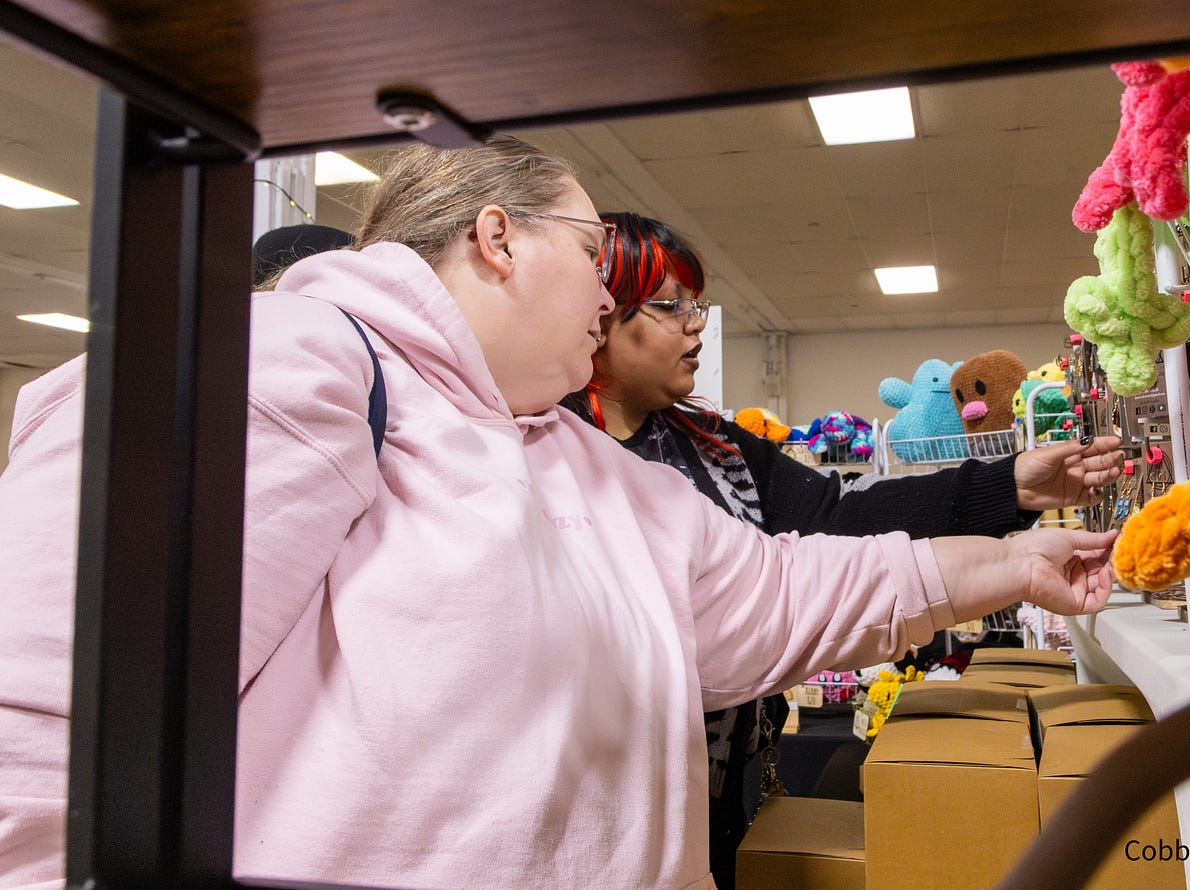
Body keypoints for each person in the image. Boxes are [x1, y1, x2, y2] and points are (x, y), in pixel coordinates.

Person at [0, 136, 1118, 890]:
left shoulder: (572, 456)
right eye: (591, 255)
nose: (604, 292)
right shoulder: (293, 362)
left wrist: (1014, 564)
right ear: (498, 240)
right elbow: (50, 730)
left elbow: (779, 589)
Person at [562, 211, 1124, 887]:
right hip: (612, 817)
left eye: (696, 304)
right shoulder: (551, 456)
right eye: (668, 305)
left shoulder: (716, 448)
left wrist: (1007, 486)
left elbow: (841, 514)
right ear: (601, 312)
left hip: (731, 793)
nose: (695, 324)